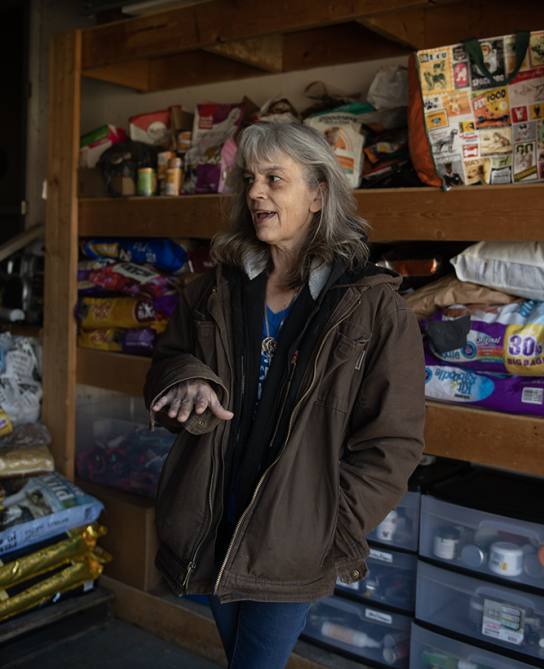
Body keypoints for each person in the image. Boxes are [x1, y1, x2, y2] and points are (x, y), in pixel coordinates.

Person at [144, 121, 426, 669]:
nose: (255, 193)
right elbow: (166, 362)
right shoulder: (211, 291)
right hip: (213, 518)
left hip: (296, 538)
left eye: (276, 179)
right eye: (250, 179)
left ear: (319, 194)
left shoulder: (373, 307)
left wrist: (328, 526)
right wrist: (187, 378)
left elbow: (392, 443)